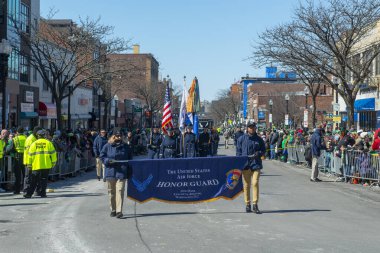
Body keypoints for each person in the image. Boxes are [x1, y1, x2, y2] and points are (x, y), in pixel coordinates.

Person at [100, 131, 132, 218]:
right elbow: (102, 157)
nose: (118, 137)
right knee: (111, 192)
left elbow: (130, 159)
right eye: (116, 135)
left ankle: (119, 211)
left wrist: (129, 172)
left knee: (120, 191)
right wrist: (107, 161)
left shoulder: (126, 146)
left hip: (122, 172)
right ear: (112, 136)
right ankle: (113, 209)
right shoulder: (107, 146)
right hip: (111, 171)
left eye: (120, 135)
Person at [236, 122, 265, 214]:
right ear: (247, 128)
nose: (252, 129)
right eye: (250, 127)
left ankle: (255, 204)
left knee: (255, 183)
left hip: (256, 164)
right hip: (246, 165)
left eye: (253, 127)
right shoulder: (241, 139)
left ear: (255, 128)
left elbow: (263, 150)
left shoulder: (259, 139)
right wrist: (240, 163)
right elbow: (238, 152)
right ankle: (247, 204)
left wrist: (259, 153)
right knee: (246, 185)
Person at [24, 130, 57, 198]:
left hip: (36, 166)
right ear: (44, 135)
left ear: (38, 136)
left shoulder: (34, 144)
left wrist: (29, 165)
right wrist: (53, 163)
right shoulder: (48, 143)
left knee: (33, 181)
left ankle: (29, 194)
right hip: (46, 165)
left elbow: (29, 155)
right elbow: (53, 154)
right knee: (44, 180)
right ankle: (42, 193)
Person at [23, 126, 41, 195]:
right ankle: (26, 191)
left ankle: (35, 191)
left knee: (34, 177)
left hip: (33, 161)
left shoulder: (34, 138)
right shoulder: (31, 139)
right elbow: (29, 152)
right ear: (36, 132)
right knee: (28, 177)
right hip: (29, 161)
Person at [9, 127, 27, 194]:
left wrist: (6, 151)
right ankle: (25, 189)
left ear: (17, 132)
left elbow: (11, 148)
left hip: (17, 158)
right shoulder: (26, 138)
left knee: (18, 175)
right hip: (25, 157)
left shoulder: (15, 139)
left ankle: (17, 190)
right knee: (25, 175)